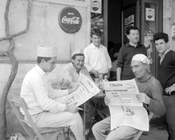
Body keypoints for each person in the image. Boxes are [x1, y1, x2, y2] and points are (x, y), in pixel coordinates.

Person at [92, 54, 166, 140]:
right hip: (123, 115)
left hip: (136, 121)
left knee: (110, 138)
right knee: (96, 128)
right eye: (132, 67)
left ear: (146, 65)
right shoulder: (132, 82)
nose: (134, 70)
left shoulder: (154, 84)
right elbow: (122, 101)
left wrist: (148, 100)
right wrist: (109, 101)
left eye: (137, 66)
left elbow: (162, 110)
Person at [20, 46, 85, 140]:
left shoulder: (40, 74)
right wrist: (67, 108)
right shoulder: (36, 77)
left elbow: (52, 94)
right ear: (43, 61)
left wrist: (69, 91)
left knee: (69, 98)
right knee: (75, 117)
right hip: (37, 117)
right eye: (52, 62)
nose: (54, 66)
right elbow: (46, 104)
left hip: (38, 112)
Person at [153, 32, 175, 140]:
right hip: (163, 97)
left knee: (172, 126)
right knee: (166, 124)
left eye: (161, 43)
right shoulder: (160, 58)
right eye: (156, 44)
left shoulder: (172, 55)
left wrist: (174, 86)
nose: (159, 46)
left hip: (172, 97)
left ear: (167, 43)